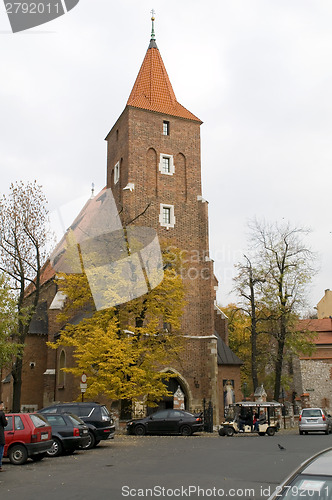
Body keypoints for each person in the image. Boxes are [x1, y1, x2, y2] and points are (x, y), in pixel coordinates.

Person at [0, 401, 8, 472]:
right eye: (2, 405)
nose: (3, 407)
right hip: (0, 436)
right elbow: (5, 423)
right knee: (0, 452)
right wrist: (6, 420)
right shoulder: (2, 414)